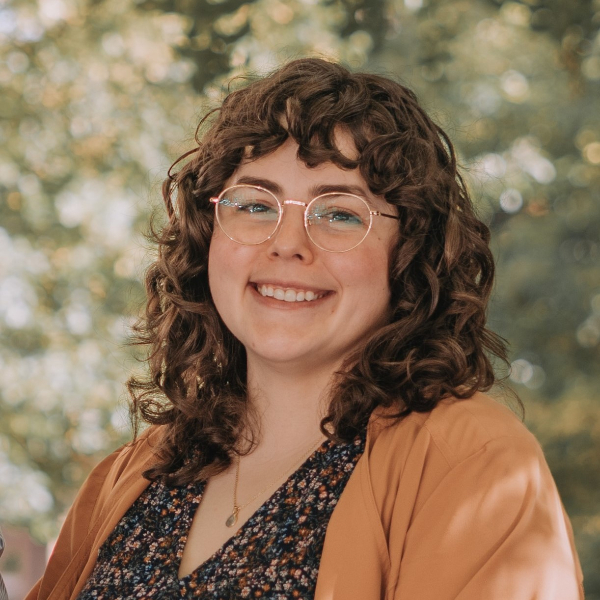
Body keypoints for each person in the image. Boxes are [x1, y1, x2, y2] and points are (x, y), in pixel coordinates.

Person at [27, 58, 583, 600]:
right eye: (254, 204)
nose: (286, 242)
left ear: (410, 254)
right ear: (207, 234)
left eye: (339, 213)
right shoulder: (134, 474)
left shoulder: (475, 464)